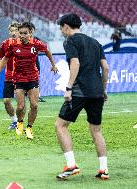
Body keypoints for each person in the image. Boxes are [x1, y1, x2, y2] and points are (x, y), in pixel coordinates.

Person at [55, 13, 109, 180]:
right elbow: (105, 68)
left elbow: (75, 63)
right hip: (97, 92)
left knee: (60, 126)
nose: (62, 31)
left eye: (61, 28)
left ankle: (71, 165)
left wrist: (69, 88)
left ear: (66, 26)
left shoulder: (70, 41)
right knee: (96, 131)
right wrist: (103, 89)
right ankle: (103, 170)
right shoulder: (95, 43)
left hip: (79, 91)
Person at [0, 22, 58, 139]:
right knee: (20, 107)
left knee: (34, 105)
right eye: (20, 33)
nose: (22, 35)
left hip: (33, 78)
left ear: (31, 33)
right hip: (19, 78)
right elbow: (5, 58)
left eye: (25, 33)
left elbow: (47, 51)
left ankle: (29, 127)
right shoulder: (13, 45)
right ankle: (19, 123)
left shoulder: (36, 43)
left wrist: (53, 64)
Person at [0, 22, 20, 130]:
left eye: (15, 30)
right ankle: (14, 121)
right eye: (11, 31)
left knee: (21, 103)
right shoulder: (5, 44)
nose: (13, 33)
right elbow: (0, 59)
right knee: (6, 101)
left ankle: (21, 123)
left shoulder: (25, 43)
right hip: (9, 76)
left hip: (21, 76)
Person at [29, 23, 46, 103]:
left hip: (35, 62)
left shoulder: (36, 39)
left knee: (36, 79)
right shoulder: (21, 40)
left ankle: (38, 96)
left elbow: (43, 48)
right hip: (25, 63)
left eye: (32, 29)